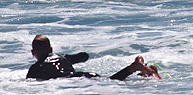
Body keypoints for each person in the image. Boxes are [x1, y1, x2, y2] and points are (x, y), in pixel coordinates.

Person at [26, 35, 161, 81]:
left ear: (33, 53)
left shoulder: (35, 69)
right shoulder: (61, 57)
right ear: (51, 50)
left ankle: (133, 68)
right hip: (83, 75)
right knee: (111, 80)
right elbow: (83, 56)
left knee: (112, 82)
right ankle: (145, 73)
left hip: (74, 81)